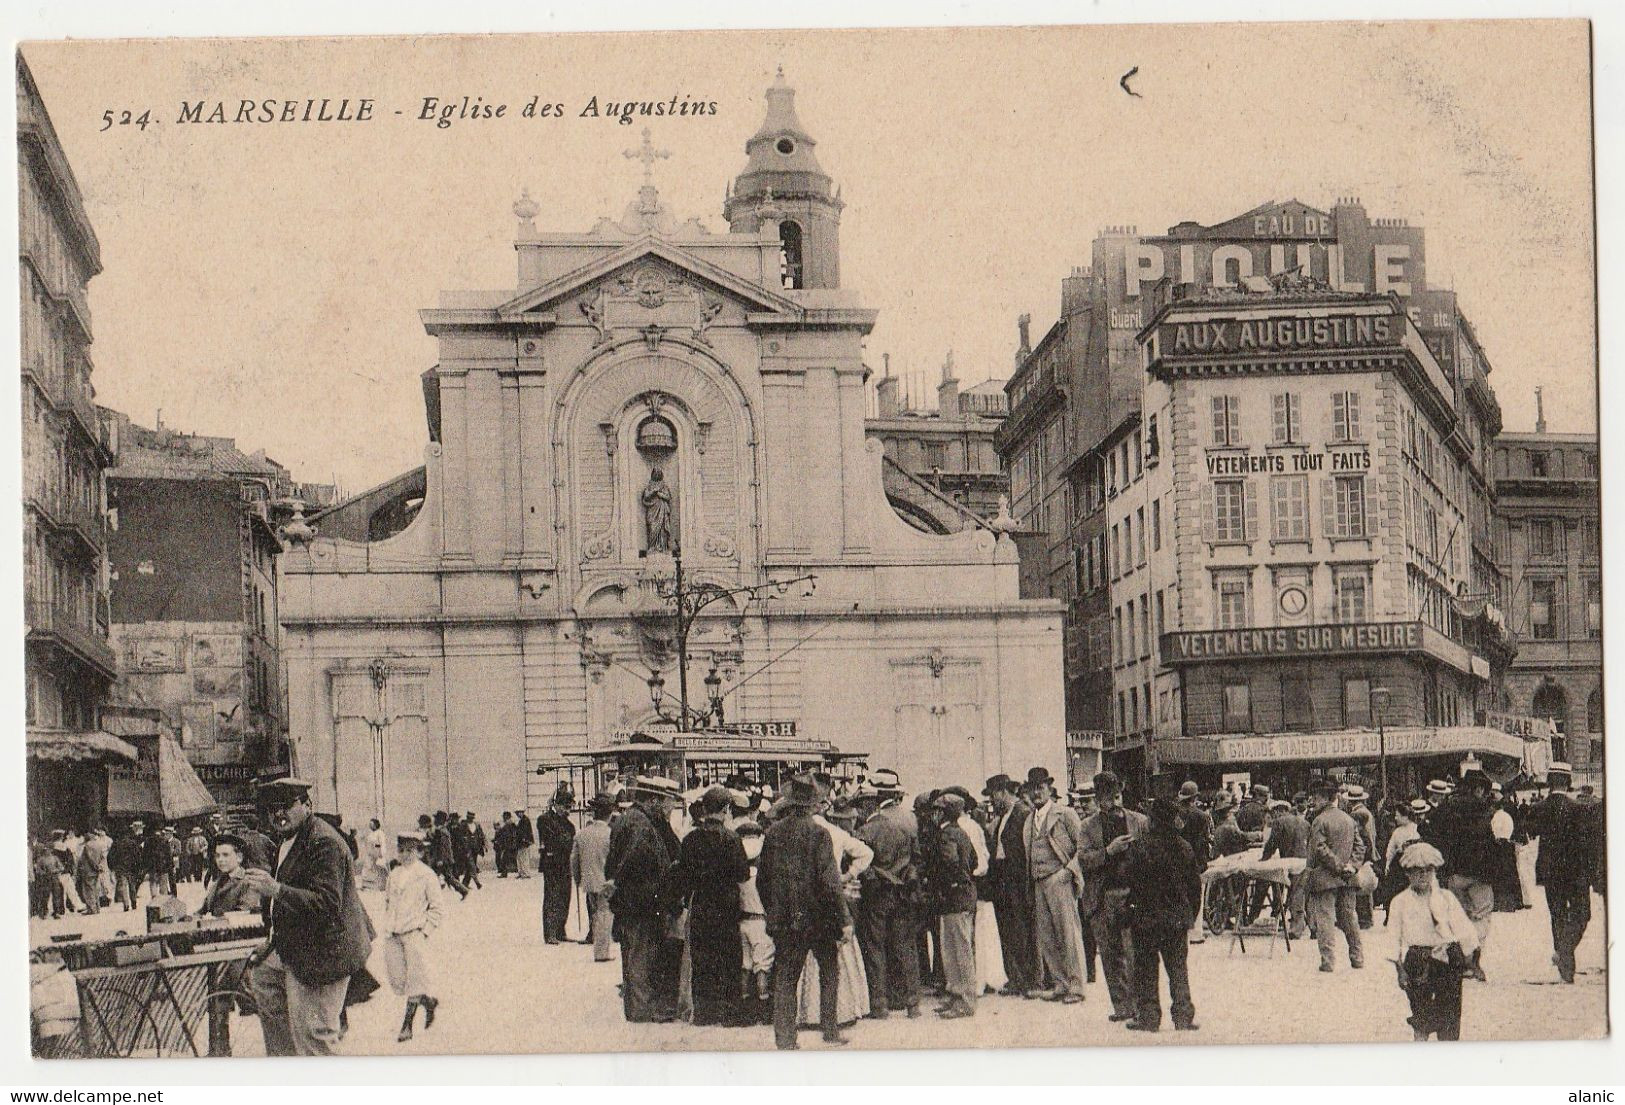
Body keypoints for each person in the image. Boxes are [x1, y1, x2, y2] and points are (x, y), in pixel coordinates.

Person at [241, 778, 374, 1056]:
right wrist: (272, 941)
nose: (278, 814)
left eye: (286, 806)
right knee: (264, 981)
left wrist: (275, 889)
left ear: (307, 805)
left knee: (315, 1035)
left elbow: (326, 902)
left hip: (324, 952)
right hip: (296, 945)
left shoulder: (324, 843)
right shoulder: (291, 839)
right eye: (271, 809)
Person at [757, 775, 851, 1050]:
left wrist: (773, 909)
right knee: (829, 973)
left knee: (785, 978)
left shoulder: (773, 833)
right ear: (812, 804)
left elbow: (762, 879)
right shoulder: (819, 834)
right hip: (819, 918)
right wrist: (843, 919)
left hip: (786, 921)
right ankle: (830, 1031)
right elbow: (830, 882)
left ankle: (785, 1039)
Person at [605, 776, 684, 1023]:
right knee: (641, 954)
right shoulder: (640, 824)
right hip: (641, 901)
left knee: (635, 953)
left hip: (633, 900)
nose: (670, 809)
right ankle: (642, 1010)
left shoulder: (631, 819)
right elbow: (633, 859)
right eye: (668, 803)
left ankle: (637, 1007)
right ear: (653, 800)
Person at [674, 786, 750, 1026]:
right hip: (726, 905)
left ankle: (705, 1013)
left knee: (702, 957)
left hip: (701, 904)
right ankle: (730, 1013)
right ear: (726, 809)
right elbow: (742, 874)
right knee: (729, 957)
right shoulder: (732, 838)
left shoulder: (691, 839)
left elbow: (683, 875)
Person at [1123, 797, 1201, 1033]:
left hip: (1146, 920)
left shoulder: (1139, 847)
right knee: (1178, 968)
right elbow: (1194, 888)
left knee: (1146, 969)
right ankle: (1183, 1016)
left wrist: (1132, 911)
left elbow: (1132, 883)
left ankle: (1148, 1017)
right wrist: (1189, 915)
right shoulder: (1184, 847)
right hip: (1176, 920)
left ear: (1153, 820)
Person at [851, 769, 921, 1020]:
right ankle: (913, 1002)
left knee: (875, 947)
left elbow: (862, 866)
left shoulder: (864, 833)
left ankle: (880, 1004)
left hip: (877, 897)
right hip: (902, 895)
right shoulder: (901, 828)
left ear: (864, 807)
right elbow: (915, 860)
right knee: (905, 947)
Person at [1390, 841, 1478, 1041]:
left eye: (1428, 871)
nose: (1423, 876)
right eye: (1417, 871)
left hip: (1447, 958)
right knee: (1421, 1012)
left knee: (1449, 1014)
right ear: (1407, 874)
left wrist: (1469, 958)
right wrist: (1400, 970)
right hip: (1417, 961)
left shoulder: (1446, 898)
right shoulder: (1400, 902)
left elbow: (1464, 929)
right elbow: (1393, 938)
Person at [1079, 770, 1147, 1018]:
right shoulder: (1087, 827)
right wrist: (1109, 851)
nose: (1115, 801)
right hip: (1103, 896)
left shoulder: (1139, 821)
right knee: (1110, 955)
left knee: (1134, 954)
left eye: (1117, 795)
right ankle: (1122, 1007)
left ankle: (1140, 1006)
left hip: (1132, 894)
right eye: (1108, 797)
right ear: (1099, 799)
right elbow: (1084, 860)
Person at [1421, 771, 1497, 981]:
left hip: (1453, 873)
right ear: (1479, 789)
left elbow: (1428, 832)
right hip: (1481, 873)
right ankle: (1472, 957)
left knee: (1458, 916)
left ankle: (1461, 961)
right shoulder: (1487, 810)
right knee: (1481, 916)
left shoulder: (1446, 807)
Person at [1024, 766, 1089, 1005]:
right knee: (1047, 936)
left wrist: (1068, 872)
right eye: (1032, 789)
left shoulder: (1065, 814)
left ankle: (1077, 986)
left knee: (1068, 934)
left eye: (1040, 788)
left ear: (1050, 789)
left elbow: (1083, 847)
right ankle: (1060, 983)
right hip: (1039, 882)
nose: (1036, 793)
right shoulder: (1030, 819)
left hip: (1058, 879)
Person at [1531, 788, 1599, 984]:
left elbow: (1529, 831)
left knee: (1557, 915)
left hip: (1550, 873)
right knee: (1582, 914)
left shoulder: (1539, 808)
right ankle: (1565, 952)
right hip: (1576, 873)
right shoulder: (1579, 809)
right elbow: (1588, 843)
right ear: (1568, 782)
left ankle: (1564, 965)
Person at [382, 831, 443, 1042]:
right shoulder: (394, 875)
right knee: (398, 981)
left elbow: (437, 908)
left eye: (410, 850)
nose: (405, 854)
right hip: (393, 934)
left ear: (419, 852)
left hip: (414, 934)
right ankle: (428, 1001)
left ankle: (406, 1026)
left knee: (415, 980)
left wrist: (424, 931)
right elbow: (389, 902)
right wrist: (389, 925)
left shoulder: (426, 875)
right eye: (401, 850)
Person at [922, 792, 978, 1019]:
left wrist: (945, 885)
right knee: (955, 950)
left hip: (953, 898)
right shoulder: (961, 833)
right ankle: (957, 996)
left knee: (958, 951)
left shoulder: (946, 835)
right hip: (961, 897)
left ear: (940, 813)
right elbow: (973, 861)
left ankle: (964, 1000)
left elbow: (950, 863)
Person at [983, 773, 1037, 996]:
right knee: (1008, 930)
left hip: (1016, 881)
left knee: (1021, 929)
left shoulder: (1023, 814)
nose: (992, 801)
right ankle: (1015, 977)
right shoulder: (1003, 817)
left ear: (1003, 792)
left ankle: (1028, 979)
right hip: (1002, 883)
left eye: (993, 795)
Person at [1305, 779, 1364, 974]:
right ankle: (1357, 957)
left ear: (1325, 798)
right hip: (1348, 878)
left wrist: (1338, 866)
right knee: (1349, 918)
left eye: (1317, 797)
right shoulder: (1349, 819)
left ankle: (1328, 961)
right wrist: (1352, 867)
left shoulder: (1319, 821)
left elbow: (1319, 849)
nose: (1314, 800)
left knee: (1325, 919)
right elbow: (1360, 846)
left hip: (1325, 879)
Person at [736, 821, 774, 1024]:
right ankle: (763, 1007)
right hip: (760, 922)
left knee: (745, 965)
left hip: (743, 921)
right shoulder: (763, 875)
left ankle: (744, 1007)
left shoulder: (739, 876)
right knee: (762, 968)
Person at [1256, 800, 1310, 938]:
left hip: (1290, 862)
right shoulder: (1304, 823)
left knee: (1295, 894)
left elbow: (1272, 844)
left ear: (1278, 811)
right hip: (1305, 861)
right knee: (1305, 894)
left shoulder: (1279, 823)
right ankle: (1313, 927)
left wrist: (1263, 859)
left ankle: (1296, 929)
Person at [571, 795, 616, 961]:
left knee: (595, 914)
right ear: (609, 814)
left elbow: (574, 860)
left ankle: (598, 946)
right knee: (605, 915)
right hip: (606, 882)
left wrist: (578, 880)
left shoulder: (581, 834)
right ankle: (601, 952)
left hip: (589, 882)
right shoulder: (611, 834)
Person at [536, 787, 576, 944]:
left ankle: (561, 930)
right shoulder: (545, 819)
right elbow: (555, 840)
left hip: (565, 864)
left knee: (565, 896)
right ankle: (550, 933)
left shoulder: (568, 824)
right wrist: (565, 841)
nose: (568, 811)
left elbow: (570, 841)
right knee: (552, 897)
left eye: (569, 807)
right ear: (557, 805)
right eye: (565, 807)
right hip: (552, 865)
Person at [200, 834, 265, 916]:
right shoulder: (217, 883)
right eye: (217, 856)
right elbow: (203, 910)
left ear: (239, 858)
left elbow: (243, 913)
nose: (220, 860)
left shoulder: (249, 882)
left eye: (225, 855)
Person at [1343, 786, 1378, 929]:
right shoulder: (1366, 812)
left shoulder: (1358, 814)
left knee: (1361, 885)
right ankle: (1367, 918)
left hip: (1363, 856)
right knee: (1365, 886)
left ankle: (1364, 919)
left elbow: (1363, 838)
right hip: (1368, 854)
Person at [109, 822, 145, 911]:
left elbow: (110, 856)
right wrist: (138, 866)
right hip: (131, 867)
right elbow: (137, 855)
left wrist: (112, 867)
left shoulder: (116, 843)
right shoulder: (132, 843)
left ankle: (126, 904)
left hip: (120, 868)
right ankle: (134, 902)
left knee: (123, 885)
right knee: (132, 885)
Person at [76, 826, 111, 915]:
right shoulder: (99, 844)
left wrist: (95, 866)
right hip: (96, 870)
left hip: (89, 870)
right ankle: (97, 907)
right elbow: (102, 857)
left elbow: (90, 858)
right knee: (96, 889)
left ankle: (92, 909)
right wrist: (100, 866)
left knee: (88, 890)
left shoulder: (87, 846)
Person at [361, 819, 389, 891]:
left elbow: (380, 843)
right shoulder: (370, 833)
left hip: (377, 853)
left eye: (372, 824)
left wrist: (380, 852)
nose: (370, 825)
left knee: (379, 869)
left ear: (376, 824)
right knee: (368, 868)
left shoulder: (380, 833)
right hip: (370, 854)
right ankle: (367, 886)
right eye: (370, 824)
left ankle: (381, 886)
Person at [513, 806, 536, 879]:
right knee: (519, 857)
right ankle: (521, 872)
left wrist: (524, 839)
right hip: (520, 842)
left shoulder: (525, 820)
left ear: (522, 812)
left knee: (524, 858)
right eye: (518, 813)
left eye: (520, 812)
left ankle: (526, 873)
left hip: (523, 842)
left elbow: (525, 832)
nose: (519, 814)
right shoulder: (522, 820)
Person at [465, 812, 487, 879]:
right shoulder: (464, 825)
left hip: (475, 845)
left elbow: (481, 835)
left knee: (474, 858)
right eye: (469, 817)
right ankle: (471, 872)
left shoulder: (477, 825)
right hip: (467, 845)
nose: (470, 819)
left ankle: (473, 872)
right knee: (468, 859)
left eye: (471, 817)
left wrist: (484, 845)